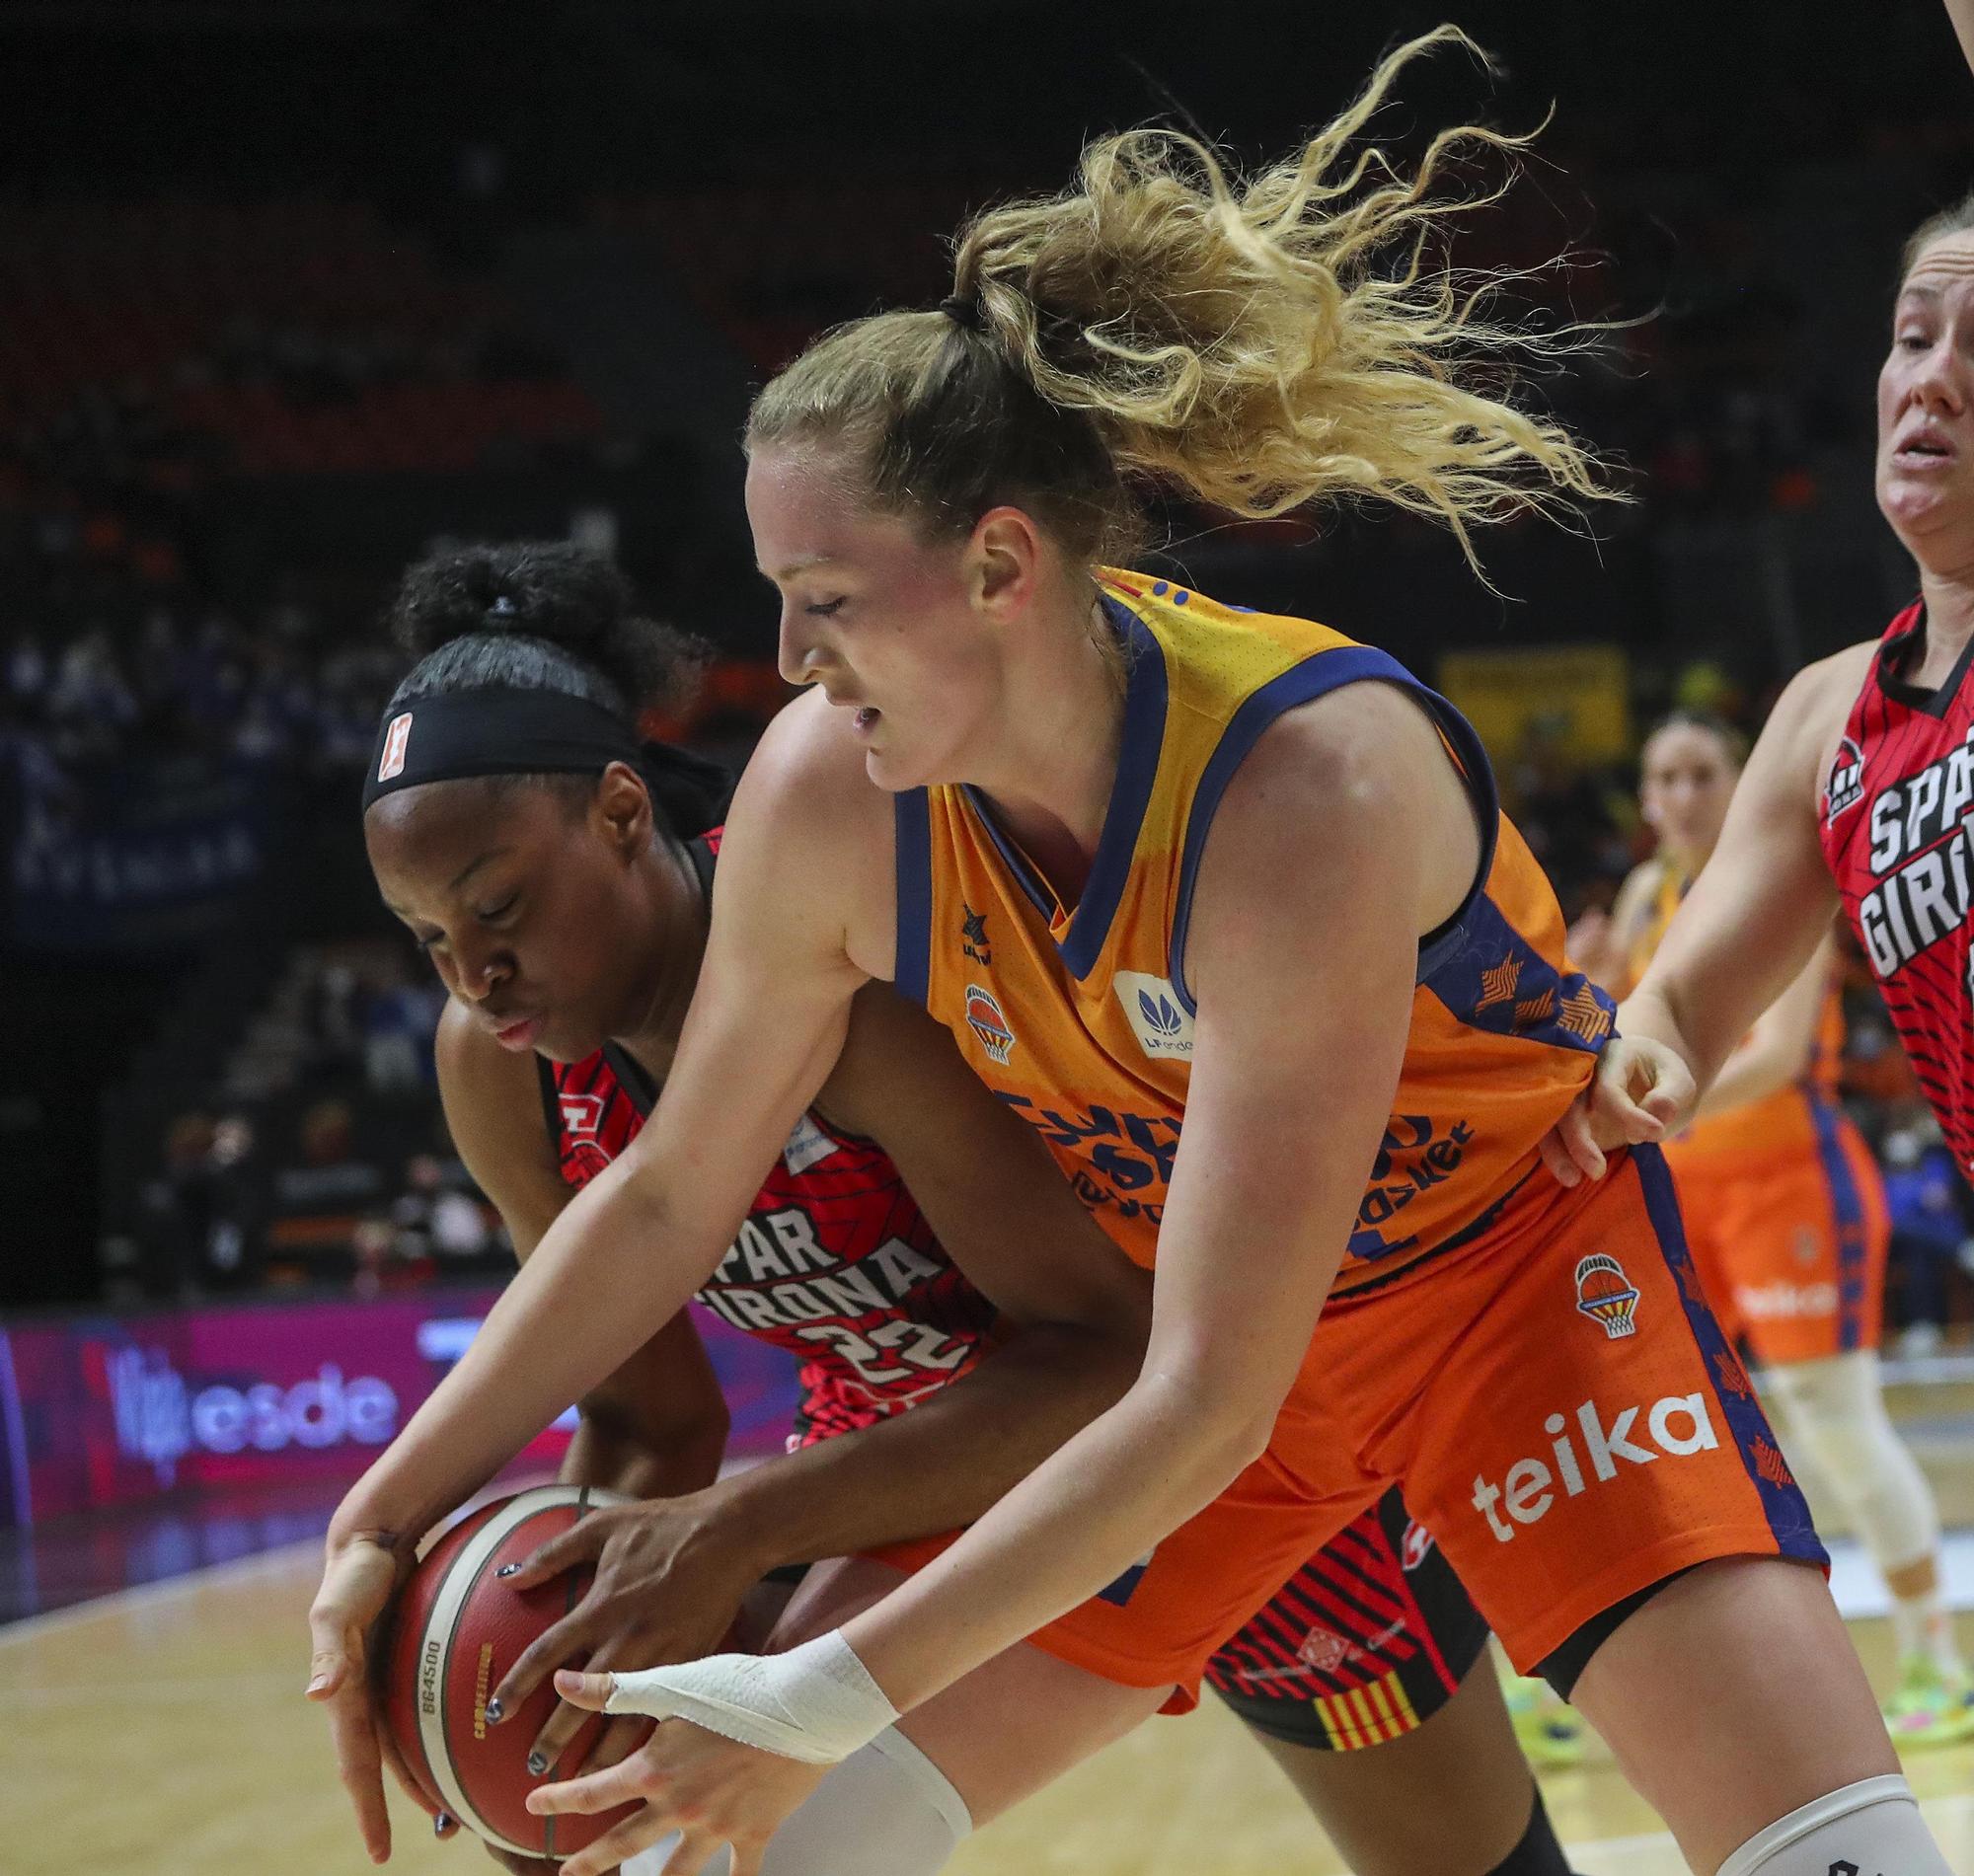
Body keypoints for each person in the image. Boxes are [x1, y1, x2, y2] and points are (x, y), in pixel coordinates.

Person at [311, 34, 1944, 1876]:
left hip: (1499, 1296)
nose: (786, 657)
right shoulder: (827, 798)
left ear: (1001, 567)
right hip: (1225, 1369)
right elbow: (674, 1186)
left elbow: (1197, 1397)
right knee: (740, 1850)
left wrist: (834, 1674)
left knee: (1838, 1861)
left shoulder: (1306, 789)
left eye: (827, 601)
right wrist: (390, 1506)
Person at [361, 540, 1578, 1876]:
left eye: (500, 907)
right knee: (719, 1848)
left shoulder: (837, 962)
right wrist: (537, 1692)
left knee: (1470, 1862)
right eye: (430, 939)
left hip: (1186, 1414)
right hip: (892, 1468)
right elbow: (651, 1418)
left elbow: (1102, 1350)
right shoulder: (503, 1070)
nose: (477, 975)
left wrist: (734, 1532)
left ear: (618, 813)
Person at [1546, 179, 1974, 1762]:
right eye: (1909, 336)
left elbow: (1784, 1049)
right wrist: (1642, 1052)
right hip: (1710, 1188)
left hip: (1796, 1176)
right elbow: (1679, 1000)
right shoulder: (1822, 719)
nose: (1926, 377)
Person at [1576, 711, 1968, 1744]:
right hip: (1678, 1187)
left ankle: (1936, 1657)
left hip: (1790, 1179)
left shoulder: (1783, 881)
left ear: (1738, 782)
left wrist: (1643, 1109)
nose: (1683, 792)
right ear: (1646, 798)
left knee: (1832, 1422)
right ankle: (1639, 1685)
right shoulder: (1640, 895)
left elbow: (1778, 1053)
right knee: (1657, 1432)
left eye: (1703, 771)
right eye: (1664, 774)